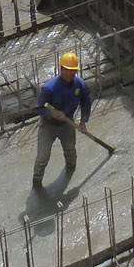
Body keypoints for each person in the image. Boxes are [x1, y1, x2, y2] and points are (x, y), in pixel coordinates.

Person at [31, 51, 92, 189]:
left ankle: (71, 174)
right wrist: (51, 115)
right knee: (42, 158)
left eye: (73, 71)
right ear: (61, 69)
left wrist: (83, 121)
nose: (70, 74)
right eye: (67, 70)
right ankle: (37, 184)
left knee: (70, 152)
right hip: (48, 126)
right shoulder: (49, 88)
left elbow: (86, 100)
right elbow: (39, 108)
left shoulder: (80, 85)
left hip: (67, 124)